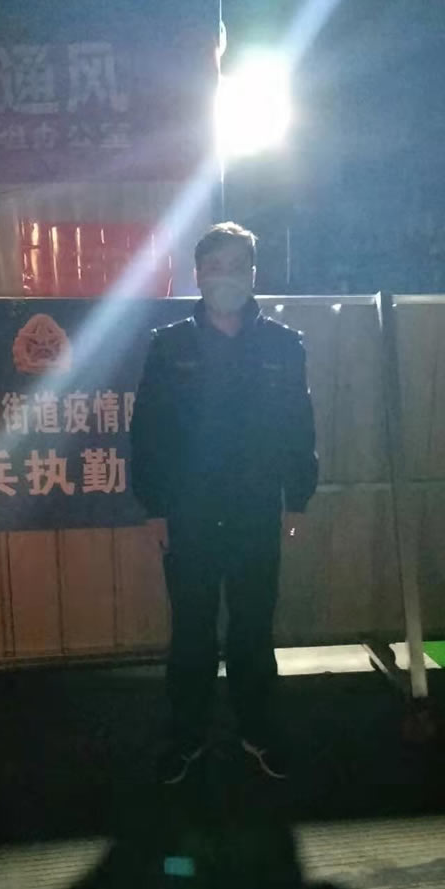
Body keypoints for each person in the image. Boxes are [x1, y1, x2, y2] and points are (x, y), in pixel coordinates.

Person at [130, 222, 318, 785]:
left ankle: (258, 731)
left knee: (253, 628)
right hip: (186, 514)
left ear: (253, 273)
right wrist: (154, 507)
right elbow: (148, 431)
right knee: (191, 631)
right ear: (198, 273)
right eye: (215, 266)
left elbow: (299, 427)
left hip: (257, 511)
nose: (226, 277)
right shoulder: (169, 346)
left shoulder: (284, 346)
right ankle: (186, 737)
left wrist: (297, 499)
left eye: (237, 266)